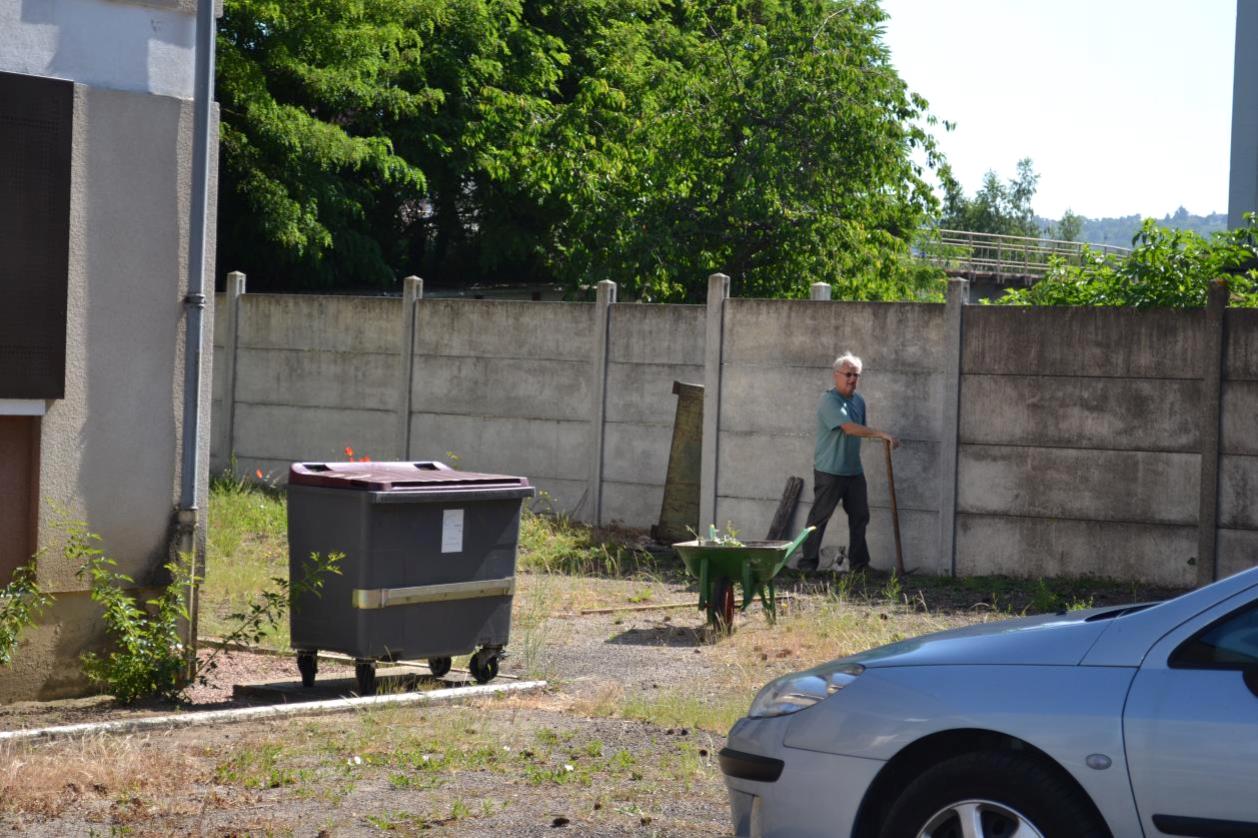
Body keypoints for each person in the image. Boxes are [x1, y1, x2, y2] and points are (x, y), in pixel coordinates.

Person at [798, 352, 898, 572]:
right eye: (848, 374)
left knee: (860, 516)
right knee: (819, 518)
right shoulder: (829, 401)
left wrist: (875, 434)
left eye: (856, 375)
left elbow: (860, 430)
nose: (852, 379)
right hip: (830, 471)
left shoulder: (859, 401)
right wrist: (881, 434)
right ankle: (807, 565)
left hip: (853, 471)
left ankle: (860, 565)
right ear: (836, 375)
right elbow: (849, 428)